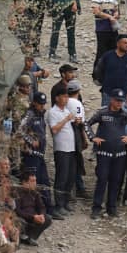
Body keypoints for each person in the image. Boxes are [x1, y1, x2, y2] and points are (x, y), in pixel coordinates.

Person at [85, 91, 127, 220]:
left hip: (120, 154)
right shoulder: (102, 112)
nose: (119, 103)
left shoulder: (125, 114)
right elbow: (87, 123)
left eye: (121, 101)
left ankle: (112, 208)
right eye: (117, 101)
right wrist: (93, 137)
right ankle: (96, 208)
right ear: (112, 100)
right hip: (104, 153)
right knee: (102, 179)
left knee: (116, 181)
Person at [15, 92, 52, 210]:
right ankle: (33, 209)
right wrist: (30, 141)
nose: (42, 106)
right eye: (40, 104)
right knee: (33, 183)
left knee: (44, 182)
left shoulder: (41, 115)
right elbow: (19, 130)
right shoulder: (30, 114)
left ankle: (47, 208)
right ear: (34, 103)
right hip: (31, 155)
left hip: (40, 154)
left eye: (43, 104)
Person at [44, 87, 77, 218]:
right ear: (57, 98)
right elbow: (54, 129)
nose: (66, 99)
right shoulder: (53, 112)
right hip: (61, 148)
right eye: (63, 96)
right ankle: (59, 204)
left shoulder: (66, 110)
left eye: (67, 96)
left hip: (71, 148)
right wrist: (66, 119)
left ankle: (66, 201)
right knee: (61, 177)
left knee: (70, 176)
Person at [14, 171, 51, 246]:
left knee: (48, 218)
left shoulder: (35, 193)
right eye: (32, 181)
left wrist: (42, 215)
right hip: (24, 218)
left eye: (35, 181)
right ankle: (22, 237)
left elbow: (41, 207)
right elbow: (18, 211)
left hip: (34, 218)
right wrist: (32, 217)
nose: (35, 183)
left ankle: (30, 237)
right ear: (25, 182)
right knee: (20, 221)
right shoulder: (17, 193)